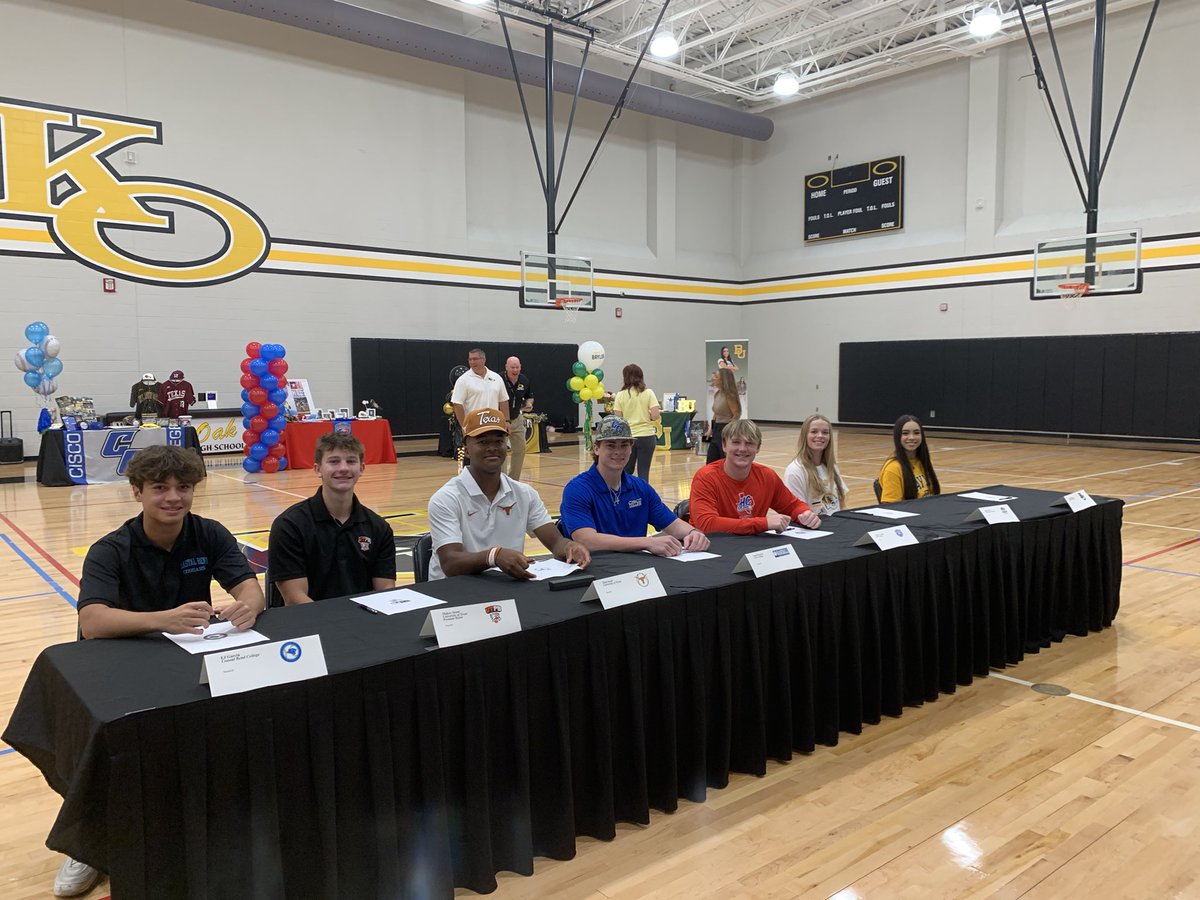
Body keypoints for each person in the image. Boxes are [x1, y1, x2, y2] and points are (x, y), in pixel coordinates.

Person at [62, 445, 265, 897]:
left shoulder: (209, 534)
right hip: (119, 662)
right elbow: (93, 622)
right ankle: (87, 847)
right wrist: (163, 618)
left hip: (180, 656)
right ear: (136, 492)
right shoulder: (109, 549)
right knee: (110, 753)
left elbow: (251, 590)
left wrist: (246, 608)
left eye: (184, 487)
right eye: (160, 488)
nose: (173, 497)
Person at [427, 408, 590, 580]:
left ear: (507, 445)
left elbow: (556, 542)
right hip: (453, 595)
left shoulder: (525, 494)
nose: (492, 448)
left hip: (505, 591)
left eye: (498, 441)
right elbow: (450, 563)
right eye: (482, 442)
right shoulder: (445, 499)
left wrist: (570, 547)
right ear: (466, 449)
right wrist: (494, 556)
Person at [268, 432, 396, 604]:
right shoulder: (289, 526)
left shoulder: (379, 527)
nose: (343, 468)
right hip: (308, 623)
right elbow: (294, 599)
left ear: (361, 468)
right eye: (334, 461)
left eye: (351, 461)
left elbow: (386, 591)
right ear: (317, 469)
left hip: (360, 621)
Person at [559, 416, 709, 556]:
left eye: (624, 445)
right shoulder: (577, 489)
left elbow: (672, 524)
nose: (618, 451)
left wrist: (693, 533)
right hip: (595, 568)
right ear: (597, 448)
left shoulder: (641, 488)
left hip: (636, 570)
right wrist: (647, 543)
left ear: (631, 448)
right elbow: (586, 541)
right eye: (610, 445)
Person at [689, 418, 822, 534]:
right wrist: (763, 523)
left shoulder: (767, 476)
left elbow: (793, 506)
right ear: (724, 445)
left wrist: (805, 514)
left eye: (749, 443)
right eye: (736, 442)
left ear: (758, 448)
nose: (742, 449)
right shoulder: (706, 477)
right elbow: (707, 525)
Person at [784, 414, 848, 515]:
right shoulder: (795, 470)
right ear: (805, 435)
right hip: (813, 527)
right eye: (814, 432)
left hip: (836, 524)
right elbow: (797, 512)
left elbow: (842, 504)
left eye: (825, 432)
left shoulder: (832, 467)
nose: (820, 436)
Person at [610, 363, 660, 482]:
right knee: (644, 471)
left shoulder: (620, 395)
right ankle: (643, 497)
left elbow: (618, 419)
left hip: (628, 437)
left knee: (626, 470)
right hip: (647, 435)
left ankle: (624, 496)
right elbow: (655, 415)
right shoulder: (648, 393)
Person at [878, 414, 941, 502]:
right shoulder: (893, 469)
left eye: (916, 433)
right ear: (897, 436)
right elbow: (890, 508)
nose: (911, 437)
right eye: (905, 433)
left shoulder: (924, 461)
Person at [450, 348, 508, 427]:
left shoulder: (497, 378)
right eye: (470, 359)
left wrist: (507, 421)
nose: (472, 362)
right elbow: (457, 404)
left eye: (475, 359)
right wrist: (464, 426)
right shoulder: (462, 380)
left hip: (494, 424)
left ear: (484, 360)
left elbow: (503, 401)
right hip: (473, 426)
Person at [502, 355, 534, 480]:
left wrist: (529, 403)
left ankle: (513, 480)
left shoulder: (524, 380)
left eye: (517, 367)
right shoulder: (499, 379)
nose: (515, 370)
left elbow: (529, 396)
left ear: (520, 367)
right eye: (512, 367)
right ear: (506, 367)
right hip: (502, 419)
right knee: (502, 450)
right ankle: (502, 479)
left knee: (520, 448)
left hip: (516, 418)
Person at [705, 367, 742, 463]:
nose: (713, 378)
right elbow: (716, 414)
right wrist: (711, 430)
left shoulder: (730, 395)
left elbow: (737, 414)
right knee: (711, 459)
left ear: (723, 380)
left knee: (723, 460)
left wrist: (729, 430)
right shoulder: (717, 394)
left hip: (726, 428)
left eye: (716, 377)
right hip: (717, 428)